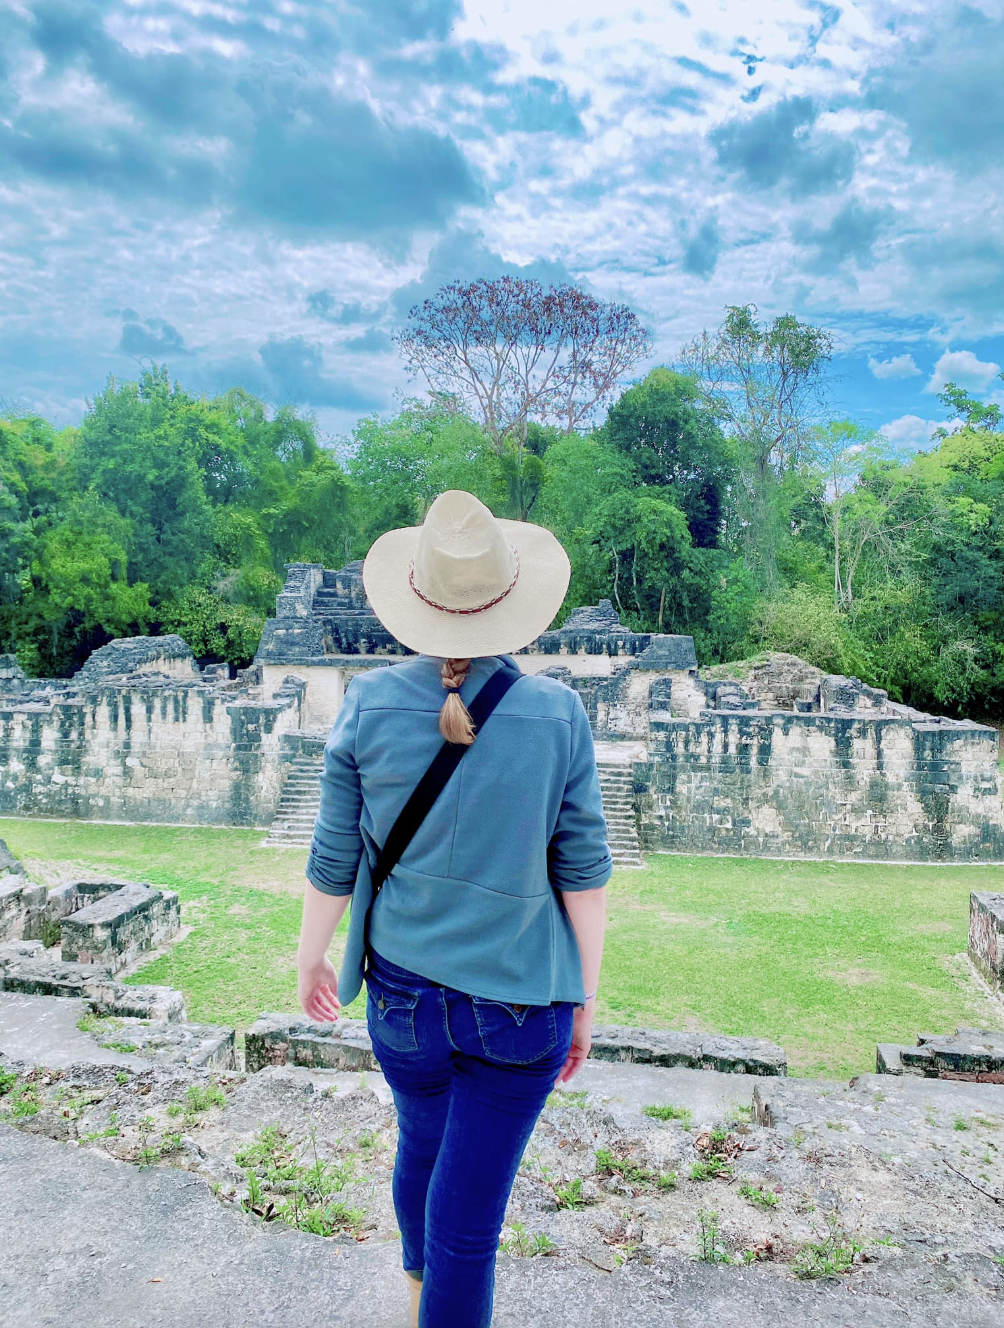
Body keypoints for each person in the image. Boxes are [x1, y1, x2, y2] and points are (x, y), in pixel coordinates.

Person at [295, 490, 611, 1328]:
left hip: (402, 997)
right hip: (519, 1003)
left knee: (421, 1145)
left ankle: (414, 1302)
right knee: (468, 1227)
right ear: (512, 603)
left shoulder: (366, 703)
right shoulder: (558, 714)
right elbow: (582, 870)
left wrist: (311, 957)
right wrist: (584, 994)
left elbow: (334, 857)